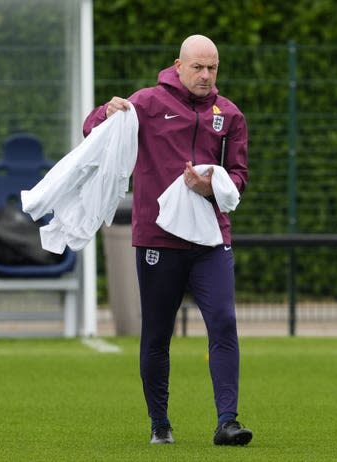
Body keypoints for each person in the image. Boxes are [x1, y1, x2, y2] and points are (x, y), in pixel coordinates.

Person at [83, 34, 252, 446]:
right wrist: (106, 112)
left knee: (224, 323)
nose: (206, 75)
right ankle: (160, 424)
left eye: (212, 67)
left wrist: (211, 187)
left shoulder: (229, 114)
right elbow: (92, 131)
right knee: (157, 334)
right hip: (159, 238)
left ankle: (227, 422)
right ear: (178, 65)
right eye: (198, 66)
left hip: (211, 240)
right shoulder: (146, 103)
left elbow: (240, 176)